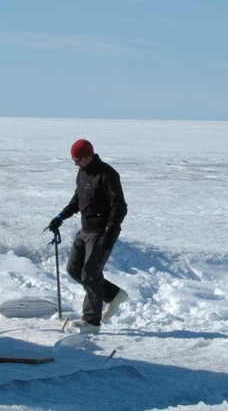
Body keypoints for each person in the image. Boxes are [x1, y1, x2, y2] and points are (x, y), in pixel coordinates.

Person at [46, 139, 129, 334]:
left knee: (90, 273)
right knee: (74, 268)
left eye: (77, 160)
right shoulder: (82, 173)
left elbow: (120, 207)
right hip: (85, 229)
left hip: (101, 232)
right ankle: (114, 295)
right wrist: (60, 217)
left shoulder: (107, 175)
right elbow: (77, 200)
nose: (75, 164)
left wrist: (110, 231)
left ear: (88, 155)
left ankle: (91, 322)